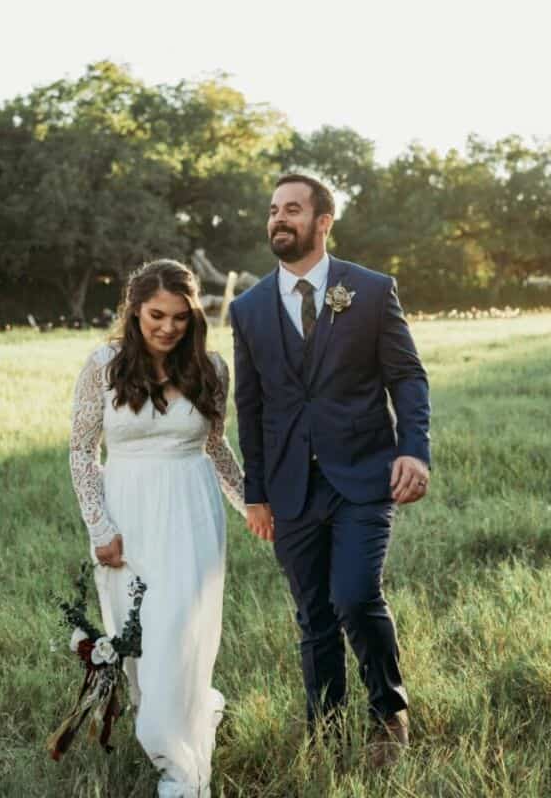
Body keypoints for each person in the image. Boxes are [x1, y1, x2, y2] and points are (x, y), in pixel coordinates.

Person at [229, 174, 431, 766]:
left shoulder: (369, 290)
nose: (278, 220)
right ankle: (324, 729)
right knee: (313, 614)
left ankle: (388, 713)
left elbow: (408, 377)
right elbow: (251, 406)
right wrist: (256, 492)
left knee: (354, 595)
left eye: (292, 209)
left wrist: (412, 450)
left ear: (323, 221)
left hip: (364, 476)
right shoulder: (247, 309)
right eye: (272, 211)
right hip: (290, 485)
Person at [69, 259, 245, 798]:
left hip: (192, 514)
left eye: (179, 318)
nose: (168, 328)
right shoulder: (104, 364)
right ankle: (176, 720)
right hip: (129, 516)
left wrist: (252, 505)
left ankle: (178, 769)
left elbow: (216, 449)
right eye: (156, 316)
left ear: (194, 316)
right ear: (134, 311)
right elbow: (81, 451)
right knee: (142, 647)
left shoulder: (211, 367)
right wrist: (100, 525)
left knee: (179, 634)